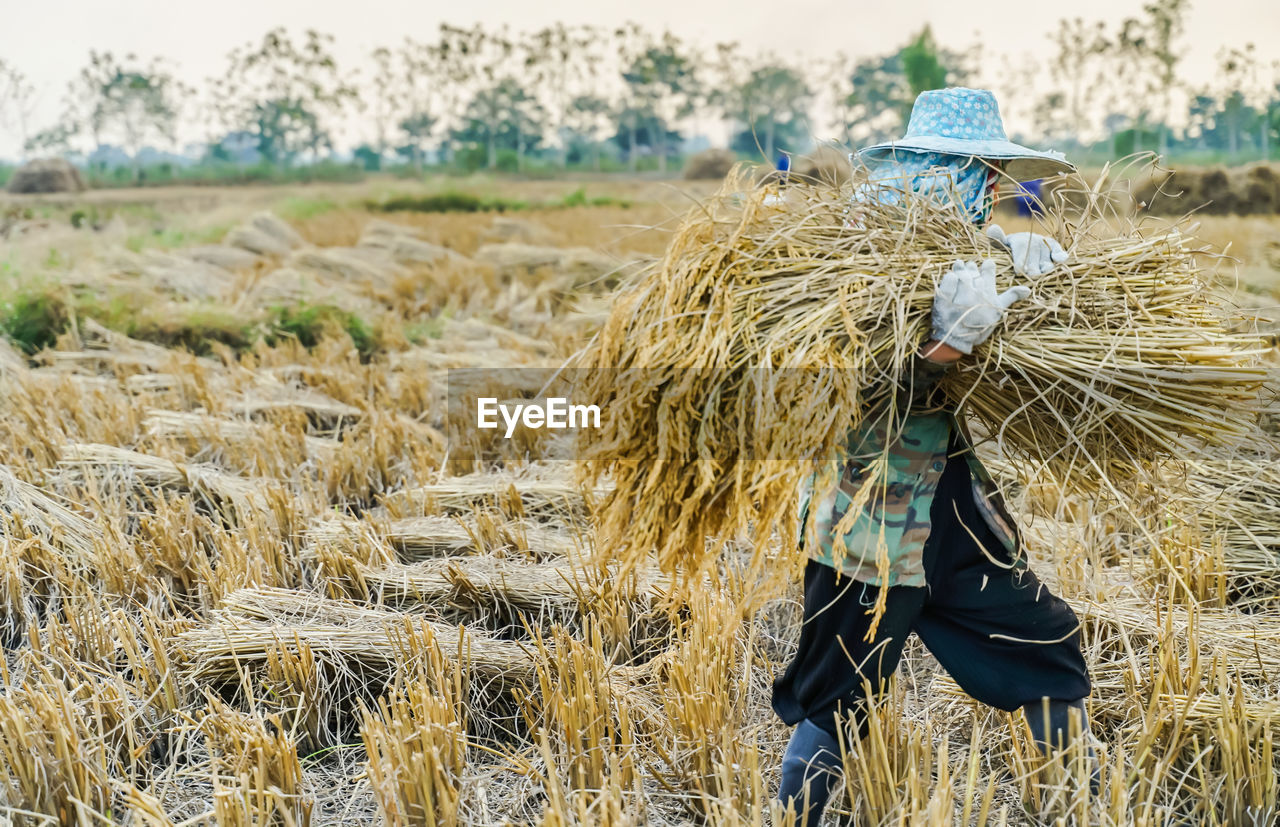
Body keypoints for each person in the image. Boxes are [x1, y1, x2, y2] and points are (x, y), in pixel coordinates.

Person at [772, 87, 1092, 825]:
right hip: (866, 525)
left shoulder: (952, 249)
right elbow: (843, 387)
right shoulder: (853, 261)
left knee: (1050, 653)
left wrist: (1038, 284)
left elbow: (992, 355)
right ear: (934, 169)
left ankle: (1080, 809)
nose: (990, 190)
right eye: (976, 170)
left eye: (989, 172)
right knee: (837, 697)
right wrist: (948, 344)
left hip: (952, 518)